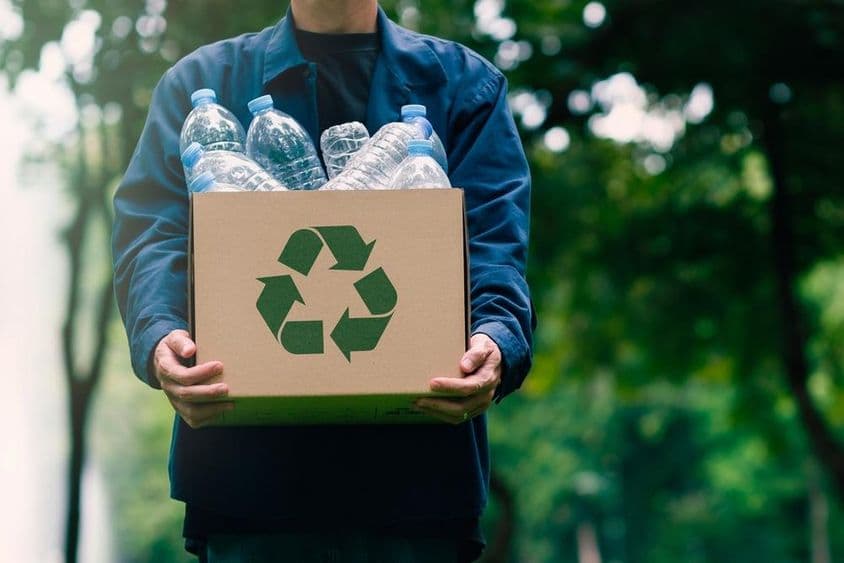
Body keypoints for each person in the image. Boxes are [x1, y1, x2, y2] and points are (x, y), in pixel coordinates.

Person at [112, 0, 534, 560]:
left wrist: (496, 341)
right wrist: (161, 334)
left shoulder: (463, 87)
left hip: (418, 488)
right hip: (249, 488)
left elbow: (494, 244)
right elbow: (151, 236)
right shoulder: (200, 84)